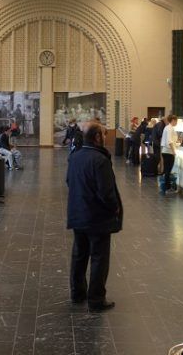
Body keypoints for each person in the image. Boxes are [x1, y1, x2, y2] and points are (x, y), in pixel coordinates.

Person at [67, 120, 123, 311]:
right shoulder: (100, 160)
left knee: (79, 254)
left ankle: (77, 293)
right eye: (104, 134)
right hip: (97, 217)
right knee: (99, 258)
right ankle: (96, 299)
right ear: (97, 137)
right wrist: (114, 208)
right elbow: (106, 192)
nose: (106, 137)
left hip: (78, 212)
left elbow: (69, 181)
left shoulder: (75, 156)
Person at [160, 115, 178, 193]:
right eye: (176, 121)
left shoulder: (167, 127)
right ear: (173, 120)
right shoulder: (170, 128)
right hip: (168, 152)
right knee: (168, 170)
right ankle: (168, 188)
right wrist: (174, 151)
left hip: (165, 151)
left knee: (166, 170)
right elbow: (169, 141)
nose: (177, 122)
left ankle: (165, 187)